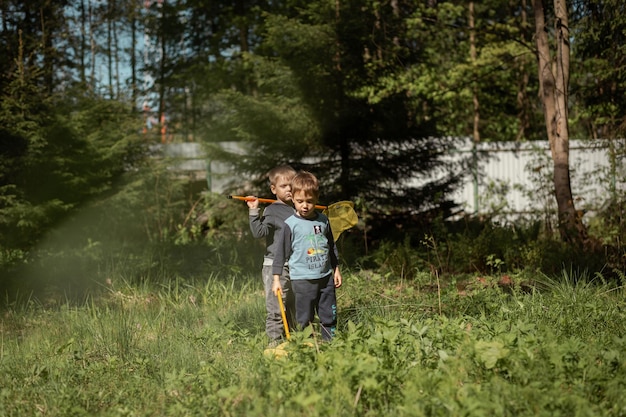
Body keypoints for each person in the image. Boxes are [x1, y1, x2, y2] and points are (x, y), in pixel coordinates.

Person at [272, 171, 342, 341]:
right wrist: (276, 279)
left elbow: (331, 246)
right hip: (302, 280)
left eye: (309, 201)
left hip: (325, 278)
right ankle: (307, 345)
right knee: (304, 317)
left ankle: (329, 344)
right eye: (300, 201)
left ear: (316, 199)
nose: (305, 206)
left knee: (328, 314)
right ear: (293, 199)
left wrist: (336, 269)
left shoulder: (323, 221)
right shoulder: (290, 225)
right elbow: (280, 253)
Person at [247, 165, 297, 347]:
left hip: (296, 265)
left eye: (292, 185)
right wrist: (254, 210)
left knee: (294, 305)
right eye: (284, 186)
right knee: (276, 307)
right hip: (275, 267)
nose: (289, 189)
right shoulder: (272, 210)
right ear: (273, 189)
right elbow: (259, 232)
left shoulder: (298, 208)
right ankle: (274, 343)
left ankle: (294, 339)